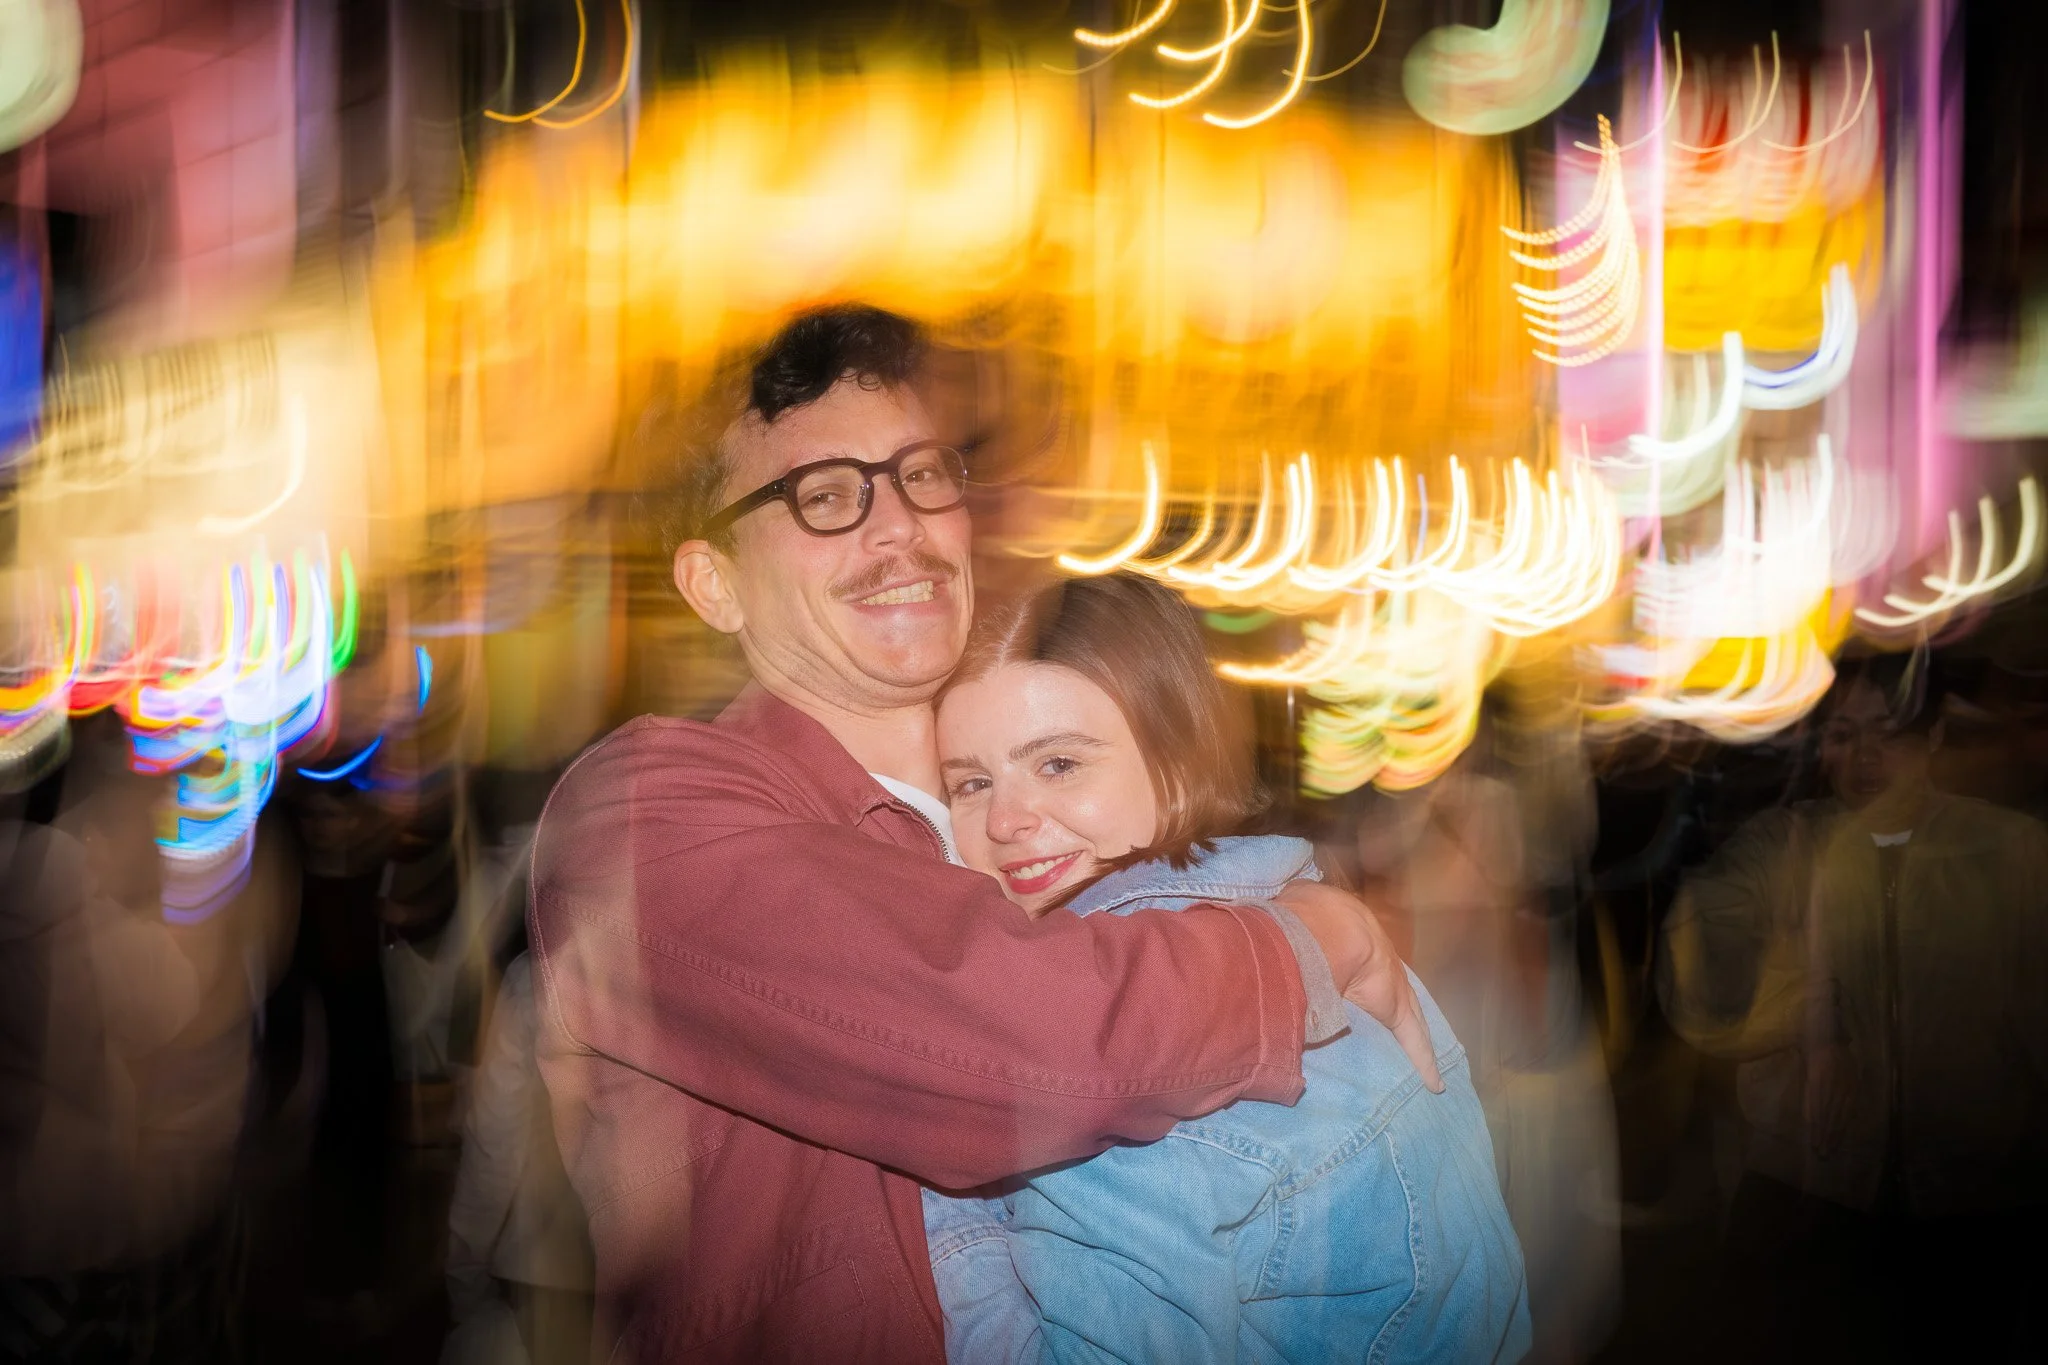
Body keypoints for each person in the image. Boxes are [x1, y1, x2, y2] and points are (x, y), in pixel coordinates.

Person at [528, 304, 1440, 1362]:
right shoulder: (647, 814)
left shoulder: (1058, 826)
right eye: (824, 497)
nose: (897, 529)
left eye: (921, 476)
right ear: (712, 584)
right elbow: (1025, 1042)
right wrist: (1317, 943)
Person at [920, 572, 1532, 1363]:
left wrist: (939, 1191)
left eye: (1060, 764)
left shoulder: (1115, 1052)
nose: (1005, 820)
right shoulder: (1295, 921)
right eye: (972, 782)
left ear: (1176, 760)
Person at [1658, 654, 2048, 1361]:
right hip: (1810, 1185)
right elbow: (1692, 973)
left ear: (1933, 737)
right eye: (1843, 733)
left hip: (1974, 1196)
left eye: (1889, 732)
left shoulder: (2013, 853)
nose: (1864, 758)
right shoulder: (1785, 845)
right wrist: (1811, 1008)